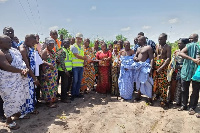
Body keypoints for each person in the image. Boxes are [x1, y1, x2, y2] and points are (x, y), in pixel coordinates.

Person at [0, 35, 29, 130]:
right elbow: (6, 67)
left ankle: (17, 113)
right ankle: (8, 120)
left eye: (10, 41)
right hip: (7, 81)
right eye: (8, 42)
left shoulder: (12, 51)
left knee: (18, 96)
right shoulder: (0, 53)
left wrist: (24, 69)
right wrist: (21, 71)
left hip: (17, 78)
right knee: (9, 99)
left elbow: (20, 62)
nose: (10, 43)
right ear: (1, 43)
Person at [178, 34, 200, 117]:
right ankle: (184, 105)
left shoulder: (196, 46)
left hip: (196, 72)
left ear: (196, 39)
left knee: (195, 90)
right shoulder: (189, 46)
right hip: (186, 70)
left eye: (192, 38)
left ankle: (192, 107)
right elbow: (181, 53)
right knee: (184, 89)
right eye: (189, 38)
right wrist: (192, 59)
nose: (190, 40)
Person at [19, 34, 40, 116]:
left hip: (31, 74)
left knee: (30, 93)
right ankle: (24, 112)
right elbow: (27, 66)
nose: (34, 44)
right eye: (33, 42)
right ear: (27, 40)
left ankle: (30, 109)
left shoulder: (29, 48)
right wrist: (34, 78)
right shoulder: (23, 49)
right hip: (26, 76)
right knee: (26, 93)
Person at [167, 38, 189, 105]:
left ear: (185, 44)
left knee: (180, 87)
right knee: (172, 86)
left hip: (183, 71)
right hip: (174, 71)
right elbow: (172, 61)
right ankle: (170, 99)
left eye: (180, 43)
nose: (178, 45)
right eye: (178, 43)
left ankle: (178, 101)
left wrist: (180, 66)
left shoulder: (187, 53)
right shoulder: (176, 52)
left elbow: (187, 63)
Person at [133, 36, 154, 105]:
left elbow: (151, 59)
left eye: (138, 40)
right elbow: (135, 56)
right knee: (138, 82)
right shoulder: (138, 48)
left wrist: (151, 68)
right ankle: (138, 95)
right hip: (138, 67)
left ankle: (149, 98)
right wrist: (135, 58)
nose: (137, 41)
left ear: (142, 40)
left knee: (147, 83)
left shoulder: (148, 48)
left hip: (145, 68)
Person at [70, 33, 91, 100]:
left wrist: (85, 59)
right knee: (75, 80)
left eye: (81, 39)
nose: (79, 40)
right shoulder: (74, 47)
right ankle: (73, 94)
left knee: (79, 81)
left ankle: (77, 93)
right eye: (78, 38)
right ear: (76, 39)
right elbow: (77, 55)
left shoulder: (81, 47)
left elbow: (82, 55)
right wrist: (85, 58)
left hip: (80, 66)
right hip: (75, 67)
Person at [153, 33, 171, 108]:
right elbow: (155, 55)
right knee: (156, 83)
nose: (159, 40)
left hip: (163, 68)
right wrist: (154, 65)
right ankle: (157, 96)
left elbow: (168, 58)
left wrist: (161, 68)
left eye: (161, 39)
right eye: (159, 39)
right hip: (156, 67)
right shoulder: (157, 46)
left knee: (163, 84)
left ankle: (163, 100)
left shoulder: (167, 47)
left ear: (165, 39)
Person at [41, 38, 58, 107]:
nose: (52, 46)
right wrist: (45, 74)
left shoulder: (52, 51)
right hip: (47, 73)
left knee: (53, 87)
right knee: (48, 88)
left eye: (53, 45)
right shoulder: (45, 52)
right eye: (50, 45)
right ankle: (49, 103)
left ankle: (53, 100)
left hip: (53, 73)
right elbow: (42, 62)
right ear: (47, 45)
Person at [57, 39, 72, 103]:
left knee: (65, 84)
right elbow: (61, 61)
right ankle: (63, 98)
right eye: (67, 43)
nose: (68, 44)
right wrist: (65, 71)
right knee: (64, 85)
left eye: (69, 43)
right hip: (63, 71)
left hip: (65, 70)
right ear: (63, 43)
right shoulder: (62, 51)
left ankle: (63, 96)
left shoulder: (66, 50)